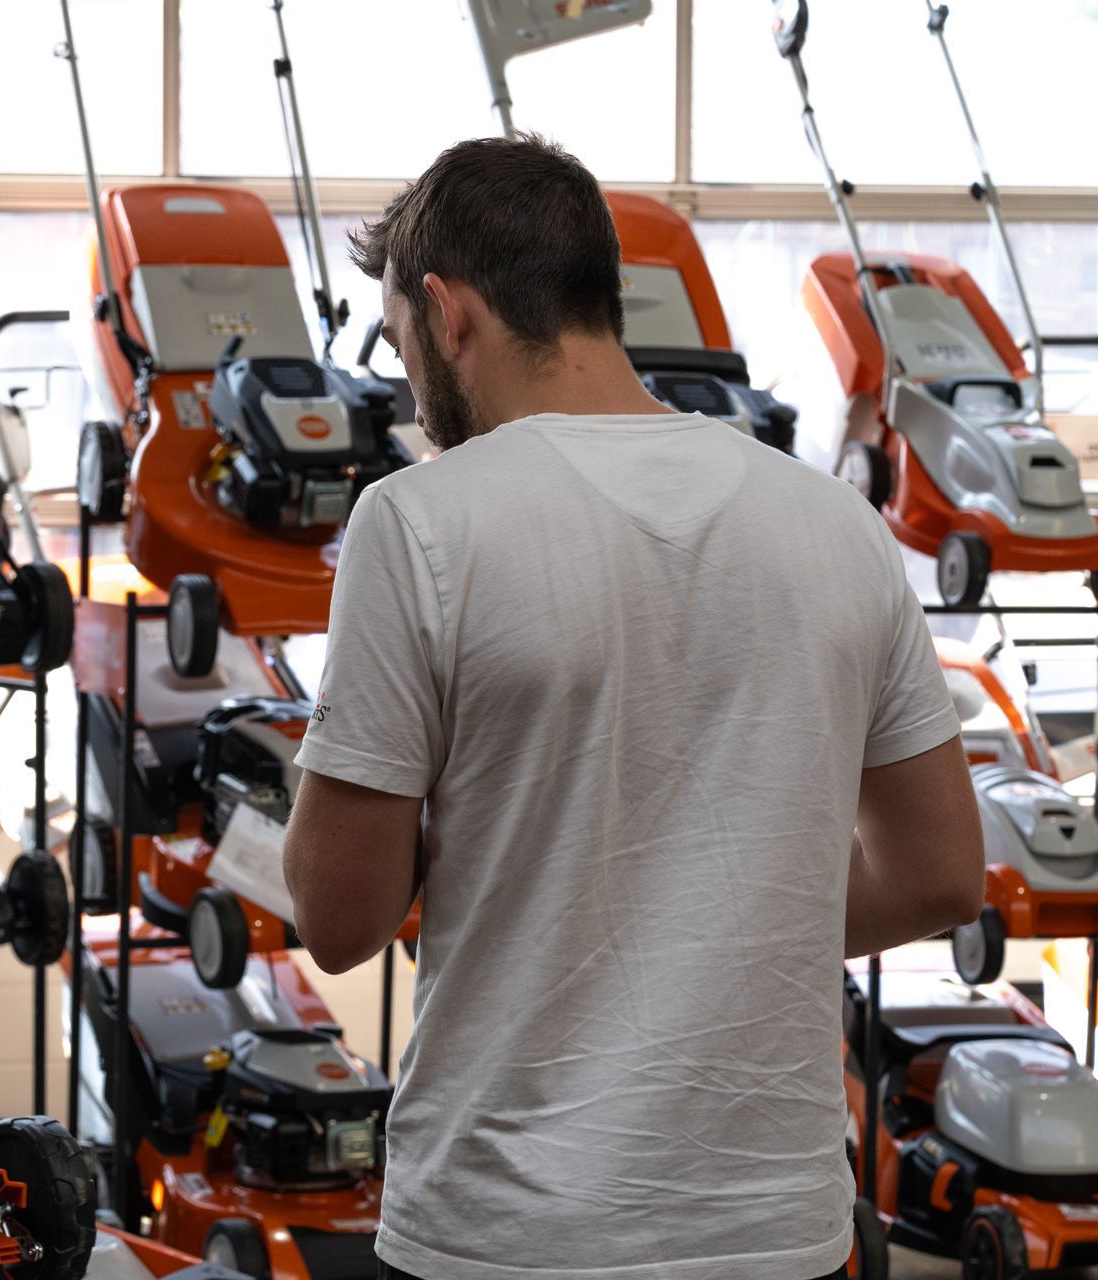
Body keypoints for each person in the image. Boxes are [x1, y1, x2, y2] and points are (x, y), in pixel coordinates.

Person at [283, 134, 983, 1280]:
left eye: (406, 347)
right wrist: (722, 914)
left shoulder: (419, 523)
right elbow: (940, 871)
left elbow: (339, 913)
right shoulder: (837, 527)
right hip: (775, 1229)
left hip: (506, 1231)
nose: (413, 390)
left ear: (448, 313)